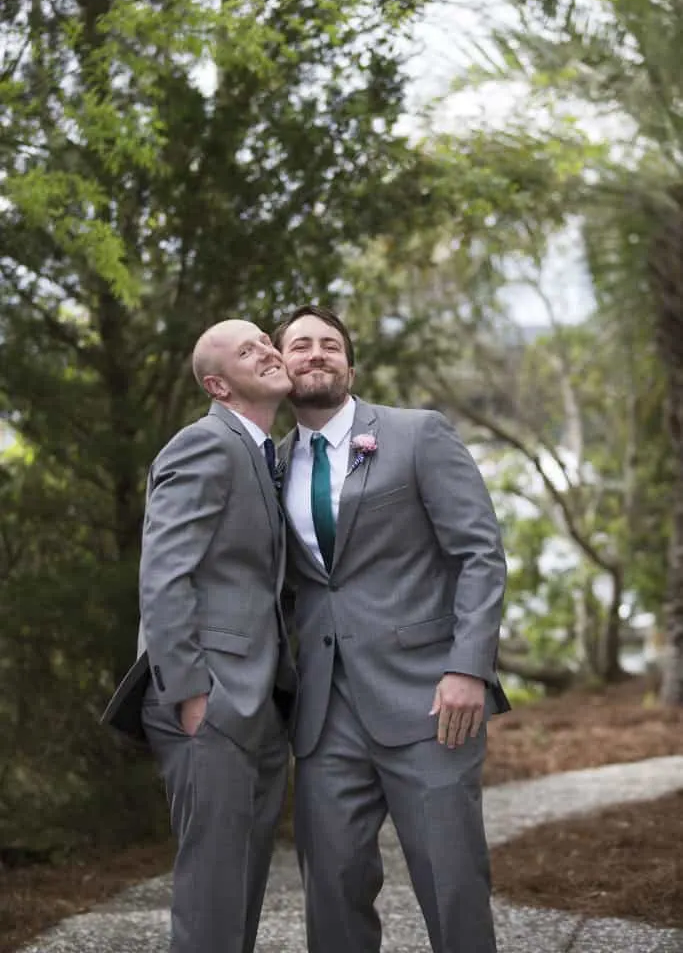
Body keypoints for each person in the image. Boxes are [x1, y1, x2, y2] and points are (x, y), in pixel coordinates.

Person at [273, 305, 510, 953]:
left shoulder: (416, 434)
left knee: (450, 879)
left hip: (430, 698)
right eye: (299, 346)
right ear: (278, 366)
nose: (314, 354)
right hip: (324, 711)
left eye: (328, 344)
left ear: (350, 365)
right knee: (331, 886)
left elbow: (479, 554)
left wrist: (468, 667)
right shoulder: (269, 463)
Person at [102, 319, 297, 953]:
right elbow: (164, 575)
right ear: (217, 385)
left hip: (258, 701)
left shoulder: (266, 455)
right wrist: (191, 695)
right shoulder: (203, 445)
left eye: (266, 341)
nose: (268, 350)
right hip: (208, 699)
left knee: (240, 886)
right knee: (212, 887)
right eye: (248, 350)